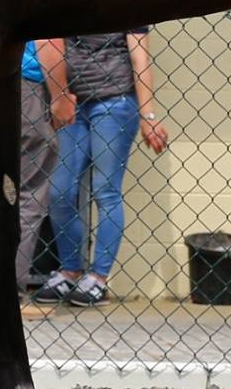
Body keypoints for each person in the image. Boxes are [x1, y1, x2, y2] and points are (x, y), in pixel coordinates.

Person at [29, 29, 172, 306]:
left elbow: (139, 57)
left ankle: (98, 278)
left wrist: (149, 115)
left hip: (115, 100)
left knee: (106, 190)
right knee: (59, 191)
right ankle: (70, 271)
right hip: (72, 101)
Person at [14, 38, 72, 292]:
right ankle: (4, 287)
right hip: (27, 85)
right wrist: (60, 96)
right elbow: (48, 40)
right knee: (30, 192)